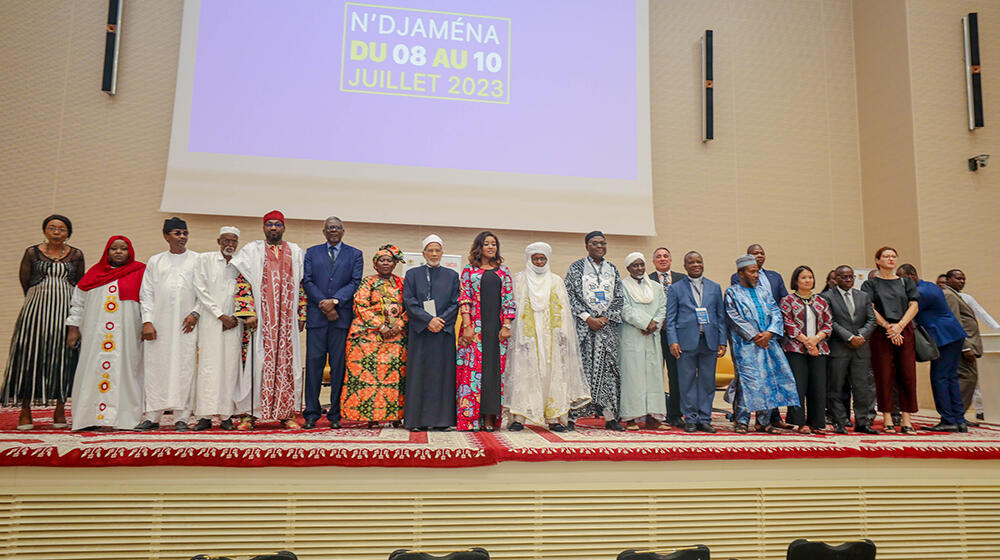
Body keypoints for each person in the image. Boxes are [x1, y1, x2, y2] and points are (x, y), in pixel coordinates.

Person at [2, 214, 84, 430]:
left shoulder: (76, 254)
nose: (56, 232)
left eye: (61, 229)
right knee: (31, 355)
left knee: (63, 356)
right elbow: (25, 281)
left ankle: (59, 409)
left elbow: (79, 285)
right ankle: (25, 411)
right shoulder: (32, 252)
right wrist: (39, 300)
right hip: (36, 310)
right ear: (45, 231)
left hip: (65, 312)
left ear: (68, 233)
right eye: (52, 228)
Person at [231, 211, 307, 430]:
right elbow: (242, 282)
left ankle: (286, 414)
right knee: (256, 363)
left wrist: (302, 313)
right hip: (260, 321)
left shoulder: (295, 251)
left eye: (277, 225)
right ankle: (249, 414)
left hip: (286, 322)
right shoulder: (251, 250)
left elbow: (302, 285)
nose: (273, 228)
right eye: (269, 225)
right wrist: (248, 314)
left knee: (286, 364)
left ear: (284, 227)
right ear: (263, 227)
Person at [505, 242, 591, 432]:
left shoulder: (556, 281)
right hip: (526, 337)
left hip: (551, 338)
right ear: (529, 259)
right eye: (535, 258)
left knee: (551, 374)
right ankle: (519, 418)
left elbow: (565, 314)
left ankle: (553, 419)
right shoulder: (519, 280)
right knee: (525, 374)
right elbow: (513, 309)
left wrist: (563, 335)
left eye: (542, 258)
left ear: (547, 260)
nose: (538, 262)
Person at [66, 236, 145, 431]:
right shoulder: (94, 273)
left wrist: (147, 324)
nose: (118, 252)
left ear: (130, 251)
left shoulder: (140, 272)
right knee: (92, 371)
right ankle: (88, 418)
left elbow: (149, 300)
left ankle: (124, 419)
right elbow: (78, 303)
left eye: (123, 248)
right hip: (96, 335)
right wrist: (73, 328)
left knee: (127, 372)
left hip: (127, 334)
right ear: (107, 252)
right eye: (114, 249)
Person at [135, 217, 200, 431]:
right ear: (166, 236)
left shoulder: (197, 260)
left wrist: (195, 313)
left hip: (186, 325)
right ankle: (152, 416)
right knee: (156, 368)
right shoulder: (156, 261)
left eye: (185, 233)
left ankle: (182, 417)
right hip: (158, 325)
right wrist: (147, 322)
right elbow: (147, 294)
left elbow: (205, 293)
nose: (182, 237)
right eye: (177, 233)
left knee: (185, 368)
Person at [725, 255, 799, 433]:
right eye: (752, 272)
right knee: (747, 381)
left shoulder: (764, 292)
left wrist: (770, 333)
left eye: (757, 272)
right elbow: (733, 317)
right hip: (746, 345)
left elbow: (775, 312)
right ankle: (741, 421)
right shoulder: (732, 292)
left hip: (769, 343)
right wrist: (755, 336)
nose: (756, 275)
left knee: (768, 379)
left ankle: (763, 422)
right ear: (741, 273)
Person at [301, 216, 363, 429]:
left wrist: (335, 301)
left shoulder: (355, 254)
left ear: (343, 231)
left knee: (339, 368)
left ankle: (335, 414)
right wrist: (323, 303)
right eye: (329, 228)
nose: (333, 230)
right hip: (317, 319)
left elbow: (355, 281)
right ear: (324, 231)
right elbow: (307, 280)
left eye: (337, 227)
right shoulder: (311, 253)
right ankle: (311, 412)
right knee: (313, 366)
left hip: (341, 319)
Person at [564, 231, 626, 431]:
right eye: (595, 243)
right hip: (583, 329)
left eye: (603, 243)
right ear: (587, 246)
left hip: (607, 330)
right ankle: (573, 418)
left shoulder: (613, 269)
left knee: (609, 372)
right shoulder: (576, 268)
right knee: (580, 370)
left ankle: (609, 417)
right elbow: (569, 295)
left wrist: (604, 318)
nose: (599, 246)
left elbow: (618, 297)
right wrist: (588, 318)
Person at [341, 244, 407, 427]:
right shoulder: (367, 282)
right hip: (368, 336)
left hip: (396, 336)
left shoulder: (402, 282)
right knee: (368, 377)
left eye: (389, 260)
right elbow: (360, 305)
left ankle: (395, 416)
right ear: (375, 264)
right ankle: (371, 416)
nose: (386, 263)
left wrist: (398, 325)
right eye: (382, 261)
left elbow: (410, 306)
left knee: (395, 377)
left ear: (394, 264)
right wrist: (380, 326)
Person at [897, 264, 968, 432]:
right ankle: (959, 420)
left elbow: (906, 311)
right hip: (953, 334)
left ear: (912, 276)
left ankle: (948, 420)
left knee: (940, 378)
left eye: (902, 278)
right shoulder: (929, 285)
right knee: (951, 378)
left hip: (943, 336)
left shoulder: (920, 293)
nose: (900, 282)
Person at [457, 231, 515, 432]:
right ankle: (471, 417)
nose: (491, 247)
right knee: (472, 372)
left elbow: (509, 300)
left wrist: (507, 326)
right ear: (479, 247)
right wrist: (467, 326)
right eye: (487, 244)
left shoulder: (503, 271)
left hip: (497, 330)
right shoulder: (469, 271)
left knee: (493, 372)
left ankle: (490, 417)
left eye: (494, 244)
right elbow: (465, 298)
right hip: (475, 328)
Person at [402, 235, 460, 431]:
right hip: (421, 333)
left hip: (443, 334)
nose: (434, 254)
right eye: (430, 250)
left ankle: (442, 421)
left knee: (443, 376)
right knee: (419, 374)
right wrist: (428, 320)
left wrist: (439, 321)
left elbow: (455, 303)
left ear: (442, 253)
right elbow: (409, 302)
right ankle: (416, 421)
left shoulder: (452, 276)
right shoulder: (412, 274)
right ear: (423, 253)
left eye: (437, 250)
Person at [665, 251, 726, 433]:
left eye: (699, 261)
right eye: (691, 262)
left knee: (707, 381)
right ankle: (690, 418)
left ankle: (705, 419)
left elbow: (720, 317)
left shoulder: (715, 287)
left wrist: (722, 341)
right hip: (685, 342)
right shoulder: (676, 288)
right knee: (687, 381)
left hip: (709, 341)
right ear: (685, 266)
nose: (695, 265)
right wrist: (673, 341)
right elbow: (671, 318)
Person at [860, 246, 919, 434]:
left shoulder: (906, 283)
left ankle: (906, 419)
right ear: (877, 260)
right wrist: (888, 326)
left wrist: (900, 326)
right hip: (881, 333)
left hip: (904, 331)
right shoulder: (870, 284)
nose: (891, 259)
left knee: (907, 375)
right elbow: (870, 307)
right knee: (884, 375)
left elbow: (914, 305)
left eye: (894, 256)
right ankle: (887, 417)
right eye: (886, 256)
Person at [191, 226, 243, 431]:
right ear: (218, 241)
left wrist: (235, 317)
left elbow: (245, 293)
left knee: (229, 368)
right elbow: (200, 290)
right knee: (208, 368)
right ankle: (204, 416)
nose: (230, 245)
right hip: (211, 322)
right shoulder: (205, 260)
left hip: (233, 324)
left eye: (234, 241)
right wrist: (220, 315)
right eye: (226, 240)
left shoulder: (240, 264)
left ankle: (226, 415)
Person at [779, 266, 833, 434]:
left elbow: (828, 323)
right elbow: (788, 324)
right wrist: (806, 342)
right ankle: (799, 422)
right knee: (798, 387)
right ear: (796, 281)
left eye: (810, 277)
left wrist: (816, 340)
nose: (807, 280)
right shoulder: (787, 300)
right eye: (803, 277)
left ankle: (817, 423)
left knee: (818, 386)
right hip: (795, 349)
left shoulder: (821, 301)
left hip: (819, 349)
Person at [617, 253, 668, 431]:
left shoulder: (655, 286)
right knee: (633, 377)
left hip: (652, 336)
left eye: (641, 265)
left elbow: (663, 307)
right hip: (633, 335)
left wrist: (655, 324)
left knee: (654, 376)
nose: (639, 269)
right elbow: (624, 308)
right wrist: (645, 323)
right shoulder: (622, 286)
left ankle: (653, 417)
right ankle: (631, 417)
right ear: (628, 268)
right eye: (634, 266)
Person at [825, 265, 878, 434]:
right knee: (836, 388)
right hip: (839, 348)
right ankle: (839, 422)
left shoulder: (863, 296)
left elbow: (872, 320)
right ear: (836, 278)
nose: (848, 280)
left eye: (850, 277)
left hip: (861, 348)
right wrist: (849, 337)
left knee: (862, 388)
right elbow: (830, 322)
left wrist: (860, 336)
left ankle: (862, 422)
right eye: (844, 277)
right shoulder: (826, 297)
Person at [649, 246, 686, 427]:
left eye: (665, 256)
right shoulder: (647, 280)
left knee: (676, 374)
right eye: (658, 257)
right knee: (655, 375)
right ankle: (654, 413)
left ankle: (675, 414)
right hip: (653, 334)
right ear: (653, 261)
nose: (662, 259)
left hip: (676, 335)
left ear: (670, 260)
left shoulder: (682, 279)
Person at [943, 269, 986, 417]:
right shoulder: (949, 295)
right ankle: (955, 416)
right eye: (958, 278)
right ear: (948, 280)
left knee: (969, 381)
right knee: (966, 380)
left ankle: (958, 416)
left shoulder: (956, 295)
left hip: (967, 345)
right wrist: (966, 347)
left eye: (963, 279)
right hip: (963, 346)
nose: (962, 281)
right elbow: (954, 322)